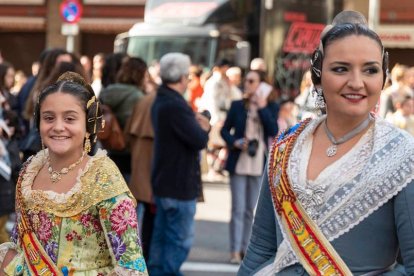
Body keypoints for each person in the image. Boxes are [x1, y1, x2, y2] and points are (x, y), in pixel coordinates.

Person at [238, 11, 414, 275]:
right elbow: (261, 249)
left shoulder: (402, 154)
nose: (357, 82)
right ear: (318, 78)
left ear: (383, 77)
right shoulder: (287, 146)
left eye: (370, 70)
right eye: (340, 69)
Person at [0, 72, 148, 275]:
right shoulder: (29, 172)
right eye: (48, 118)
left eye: (70, 118)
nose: (58, 127)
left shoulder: (103, 177)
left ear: (88, 125)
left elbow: (132, 266)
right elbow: (19, 244)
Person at [149, 53, 210, 276]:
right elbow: (198, 140)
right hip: (178, 183)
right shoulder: (174, 104)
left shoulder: (161, 100)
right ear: (183, 77)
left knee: (162, 238)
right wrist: (204, 127)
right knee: (178, 241)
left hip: (164, 180)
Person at [220, 70, 278, 264]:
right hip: (239, 160)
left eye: (252, 81)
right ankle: (234, 250)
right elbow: (223, 130)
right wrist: (235, 142)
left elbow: (273, 130)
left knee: (250, 210)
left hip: (258, 162)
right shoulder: (237, 105)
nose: (247, 84)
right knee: (237, 208)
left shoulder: (270, 106)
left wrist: (262, 107)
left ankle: (247, 249)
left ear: (262, 84)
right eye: (246, 81)